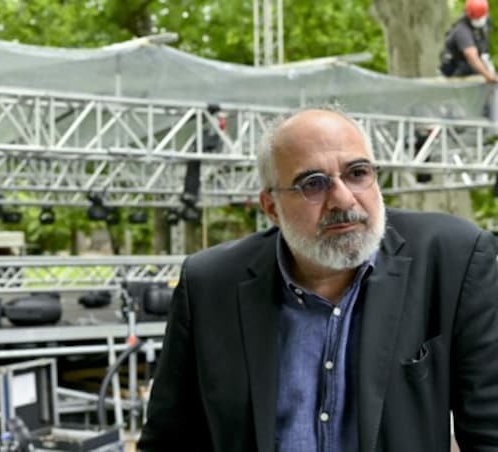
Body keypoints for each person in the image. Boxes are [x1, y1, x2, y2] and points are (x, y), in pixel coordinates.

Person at [138, 107, 498, 451]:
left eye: (357, 173)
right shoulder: (210, 284)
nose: (342, 199)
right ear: (271, 208)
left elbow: (489, 430)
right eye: (313, 184)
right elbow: (169, 440)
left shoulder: (453, 259)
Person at [440, 0, 497, 83]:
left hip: (473, 74)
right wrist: (489, 76)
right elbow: (471, 55)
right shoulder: (462, 30)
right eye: (475, 18)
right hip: (456, 76)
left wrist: (491, 71)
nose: (478, 20)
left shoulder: (482, 28)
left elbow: (484, 54)